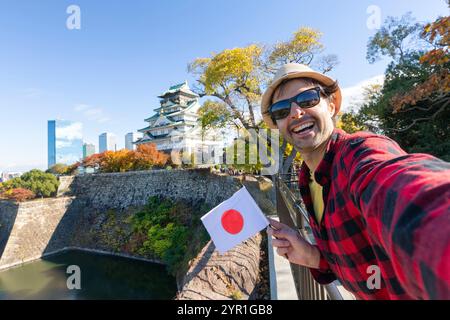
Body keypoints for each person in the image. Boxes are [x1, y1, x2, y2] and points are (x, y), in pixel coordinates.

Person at [261, 63, 450, 300]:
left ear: (331, 106)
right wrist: (313, 257)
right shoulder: (307, 180)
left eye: (308, 99)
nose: (296, 112)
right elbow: (359, 260)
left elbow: (408, 191)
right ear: (278, 124)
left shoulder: (360, 154)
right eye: (281, 109)